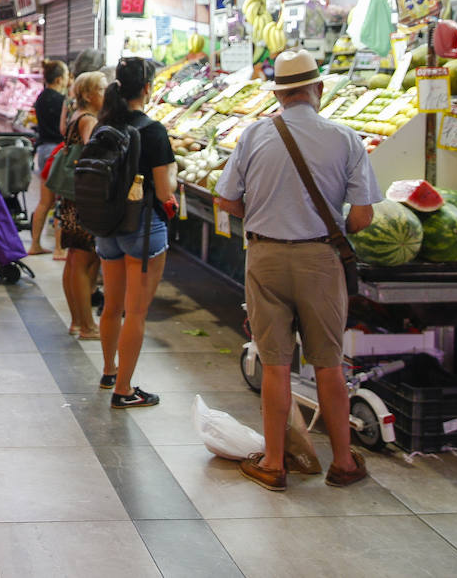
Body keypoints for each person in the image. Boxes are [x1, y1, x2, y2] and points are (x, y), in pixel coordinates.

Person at [215, 49, 379, 491]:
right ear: (318, 90)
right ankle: (343, 462)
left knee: (274, 364)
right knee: (328, 364)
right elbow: (362, 218)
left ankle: (273, 463)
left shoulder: (253, 136)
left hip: (265, 257)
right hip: (320, 260)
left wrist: (266, 212)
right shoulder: (346, 138)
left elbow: (226, 200)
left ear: (279, 95)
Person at [94, 57, 176, 409]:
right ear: (146, 88)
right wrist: (173, 172)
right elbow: (164, 190)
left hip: (107, 226)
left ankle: (110, 370)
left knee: (112, 306)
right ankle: (124, 389)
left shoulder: (103, 125)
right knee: (136, 312)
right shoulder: (153, 130)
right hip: (142, 230)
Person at [58, 71, 107, 339]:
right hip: (83, 197)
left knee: (74, 258)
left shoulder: (76, 116)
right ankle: (87, 325)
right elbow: (94, 153)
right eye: (101, 89)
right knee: (82, 259)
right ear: (88, 95)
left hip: (71, 195)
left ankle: (78, 321)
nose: (106, 93)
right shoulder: (88, 120)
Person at [29, 60, 69, 255]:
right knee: (60, 199)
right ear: (60, 79)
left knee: (45, 201)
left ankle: (35, 244)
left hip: (44, 149)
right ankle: (60, 249)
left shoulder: (42, 96)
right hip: (56, 152)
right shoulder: (61, 100)